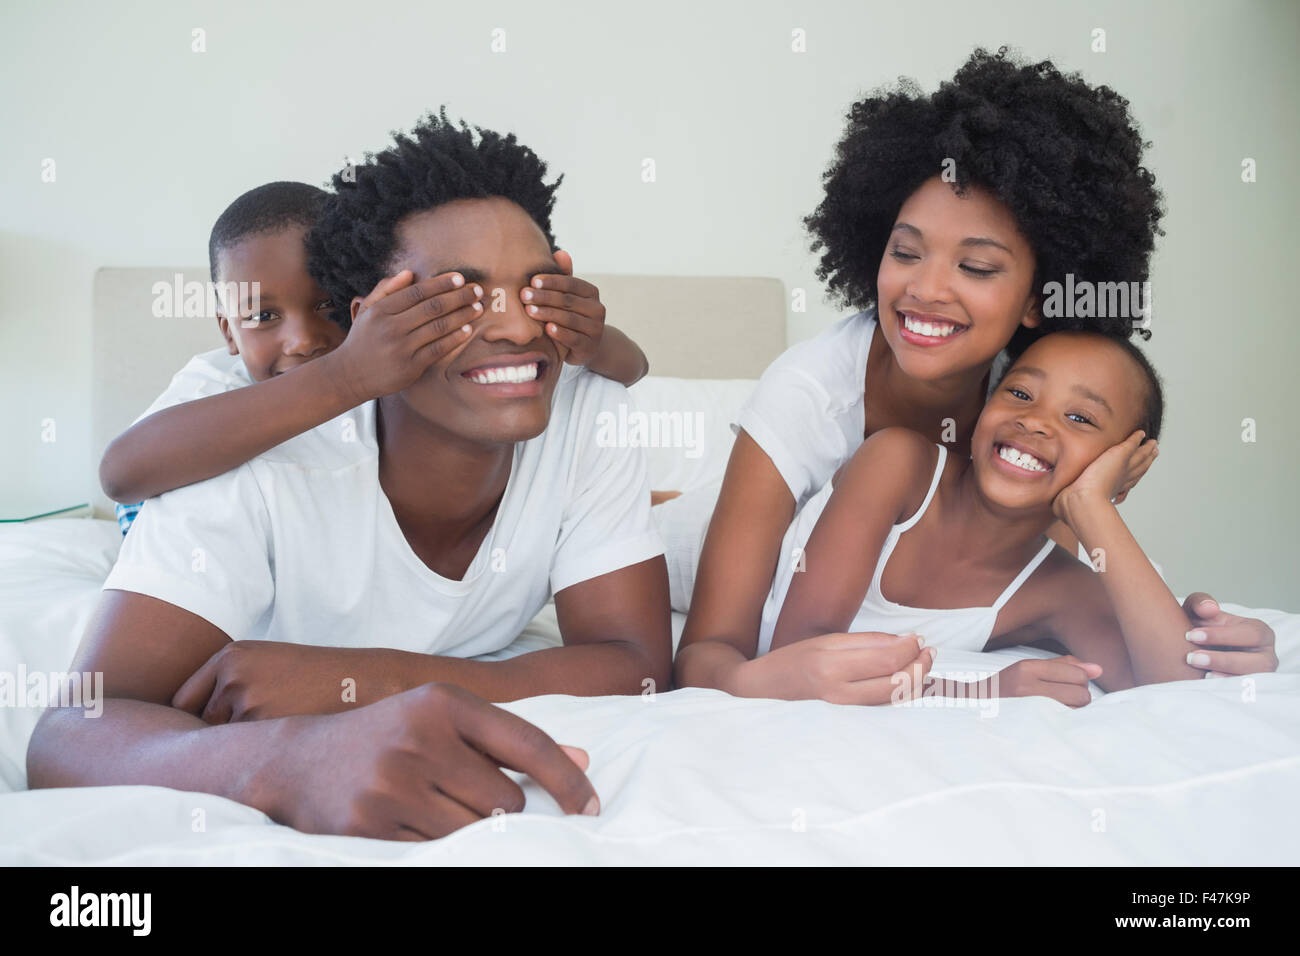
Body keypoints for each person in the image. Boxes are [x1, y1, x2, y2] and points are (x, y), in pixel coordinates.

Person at [27, 110, 671, 840]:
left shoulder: (590, 408)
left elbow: (639, 665)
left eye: (534, 290)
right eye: (458, 295)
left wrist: (369, 679)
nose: (518, 328)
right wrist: (279, 760)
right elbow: (68, 733)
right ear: (372, 324)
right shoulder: (243, 438)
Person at [674, 47, 1277, 699]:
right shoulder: (811, 396)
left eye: (978, 268)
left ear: (1037, 299)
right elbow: (713, 657)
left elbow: (1118, 636)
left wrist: (1215, 646)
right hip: (686, 541)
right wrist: (981, 693)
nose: (926, 289)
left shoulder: (1023, 410)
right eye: (905, 252)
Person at [102, 180, 649, 531]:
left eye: (329, 307)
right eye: (263, 317)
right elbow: (121, 474)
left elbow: (634, 369)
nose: (303, 340)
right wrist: (342, 377)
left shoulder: (403, 394)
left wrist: (589, 337)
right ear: (227, 331)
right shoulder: (216, 385)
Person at [743, 331, 1242, 706]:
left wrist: (1094, 505)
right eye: (1021, 394)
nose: (1035, 421)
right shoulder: (897, 464)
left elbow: (1179, 689)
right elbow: (803, 657)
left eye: (1080, 418)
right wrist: (980, 691)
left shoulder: (1059, 588)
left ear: (1121, 473)